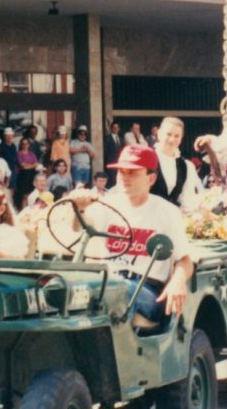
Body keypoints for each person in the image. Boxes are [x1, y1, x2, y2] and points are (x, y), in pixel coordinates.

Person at [70, 144, 193, 332]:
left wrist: (177, 281)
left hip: (145, 289)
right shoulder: (106, 205)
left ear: (151, 178)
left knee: (117, 291)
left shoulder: (167, 211)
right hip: (106, 281)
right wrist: (79, 207)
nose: (125, 179)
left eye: (133, 173)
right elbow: (79, 228)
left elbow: (184, 260)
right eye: (121, 173)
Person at [150, 116, 202, 210]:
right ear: (159, 133)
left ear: (181, 138)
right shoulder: (148, 159)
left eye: (177, 136)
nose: (172, 139)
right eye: (168, 134)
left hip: (171, 219)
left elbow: (186, 200)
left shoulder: (186, 166)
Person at [14, 136, 41, 209]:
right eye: (23, 144)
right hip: (23, 176)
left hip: (32, 176)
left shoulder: (31, 153)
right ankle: (23, 211)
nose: (25, 145)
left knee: (30, 195)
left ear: (29, 145)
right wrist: (32, 165)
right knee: (24, 196)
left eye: (27, 143)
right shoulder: (19, 153)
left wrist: (28, 165)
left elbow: (36, 164)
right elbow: (23, 166)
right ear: (21, 145)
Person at [103, 122, 123, 186]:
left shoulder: (121, 139)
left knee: (119, 181)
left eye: (117, 127)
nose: (115, 129)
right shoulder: (107, 138)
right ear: (111, 128)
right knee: (111, 182)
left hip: (119, 164)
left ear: (119, 129)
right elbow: (105, 151)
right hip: (111, 164)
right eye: (114, 127)